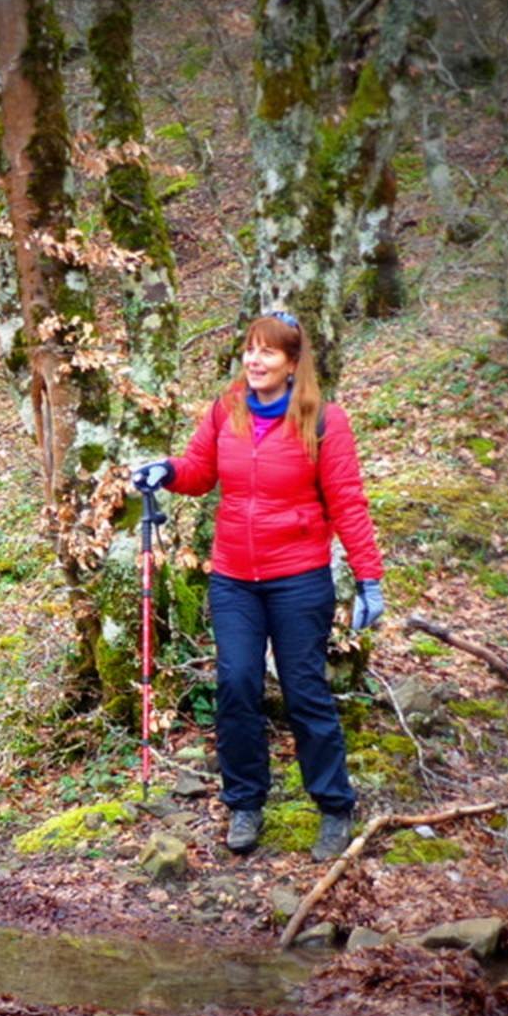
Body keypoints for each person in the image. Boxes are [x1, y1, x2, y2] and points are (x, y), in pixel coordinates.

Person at [133, 311, 385, 861]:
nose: (254, 359)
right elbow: (200, 471)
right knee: (237, 685)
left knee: (304, 691)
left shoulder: (325, 421)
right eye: (250, 349)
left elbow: (348, 502)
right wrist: (167, 470)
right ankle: (245, 802)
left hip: (299, 579)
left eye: (268, 351)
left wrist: (368, 576)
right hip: (233, 579)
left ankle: (334, 807)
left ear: (292, 363)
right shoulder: (226, 411)